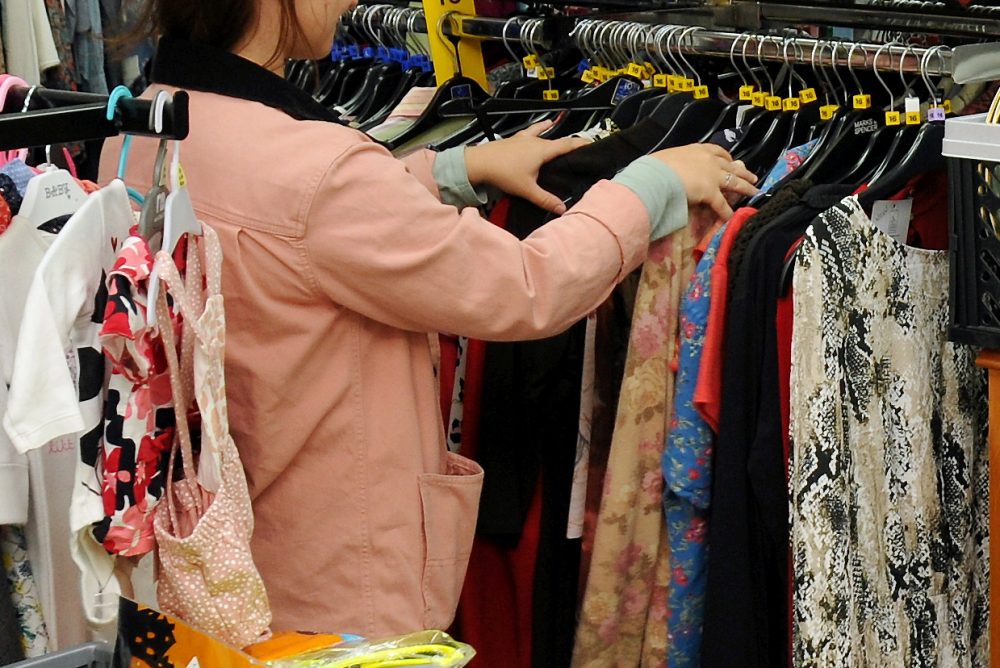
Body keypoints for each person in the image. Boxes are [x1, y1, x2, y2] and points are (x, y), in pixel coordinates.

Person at [101, 0, 758, 639]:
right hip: (341, 603)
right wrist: (650, 186)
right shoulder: (317, 170)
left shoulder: (143, 127)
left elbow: (307, 234)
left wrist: (452, 170)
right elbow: (529, 286)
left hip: (220, 572)